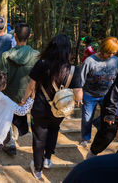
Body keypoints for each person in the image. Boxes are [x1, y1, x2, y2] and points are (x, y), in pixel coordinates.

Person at [21, 34, 84, 180]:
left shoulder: (42, 63)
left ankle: (38, 169)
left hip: (40, 107)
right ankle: (48, 158)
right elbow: (79, 96)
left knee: (38, 137)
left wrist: (24, 100)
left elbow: (31, 85)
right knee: (54, 130)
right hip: (60, 110)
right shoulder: (74, 70)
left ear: (51, 47)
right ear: (68, 50)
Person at [0, 23, 39, 156]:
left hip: (9, 94)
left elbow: (0, 79)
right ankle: (13, 139)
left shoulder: (6, 56)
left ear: (15, 36)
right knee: (19, 116)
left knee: (8, 117)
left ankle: (9, 142)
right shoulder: (36, 55)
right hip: (27, 97)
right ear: (30, 36)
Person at [80, 37, 118, 147]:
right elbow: (81, 78)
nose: (111, 55)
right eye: (109, 52)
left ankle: (100, 130)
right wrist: (79, 95)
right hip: (89, 95)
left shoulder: (116, 61)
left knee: (108, 117)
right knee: (87, 118)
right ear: (103, 48)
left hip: (107, 95)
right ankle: (85, 138)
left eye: (114, 53)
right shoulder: (90, 61)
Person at [86, 68, 118, 158]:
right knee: (107, 134)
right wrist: (110, 112)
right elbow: (116, 90)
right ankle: (92, 153)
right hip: (115, 107)